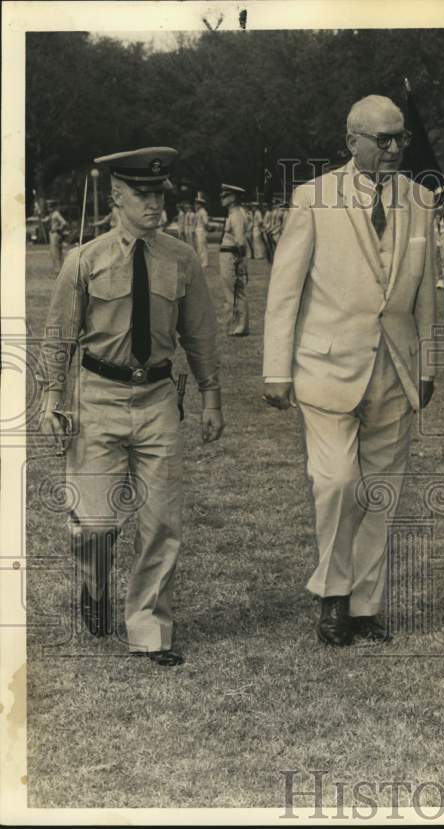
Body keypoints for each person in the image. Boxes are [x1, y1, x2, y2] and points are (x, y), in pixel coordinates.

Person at [262, 94, 438, 647]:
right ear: (351, 141)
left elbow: (427, 295)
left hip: (396, 367)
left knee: (381, 491)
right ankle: (333, 595)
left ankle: (364, 606)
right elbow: (284, 289)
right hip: (326, 366)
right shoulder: (312, 199)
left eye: (400, 139)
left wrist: (428, 362)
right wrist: (275, 369)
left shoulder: (422, 200)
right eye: (381, 139)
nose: (392, 149)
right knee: (337, 482)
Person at [38, 147, 223, 667]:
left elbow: (201, 335)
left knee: (161, 521)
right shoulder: (85, 260)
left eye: (159, 194)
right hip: (98, 399)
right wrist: (53, 398)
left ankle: (149, 629)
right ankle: (94, 584)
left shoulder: (181, 258)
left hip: (159, 400)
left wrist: (211, 396)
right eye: (143, 194)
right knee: (95, 525)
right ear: (117, 197)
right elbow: (59, 337)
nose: (155, 204)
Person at [219, 183, 250, 336]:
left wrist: (241, 260)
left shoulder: (236, 215)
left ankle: (237, 326)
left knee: (233, 291)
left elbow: (240, 241)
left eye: (225, 196)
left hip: (231, 255)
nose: (221, 198)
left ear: (233, 198)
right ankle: (238, 325)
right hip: (229, 254)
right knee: (234, 290)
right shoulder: (234, 214)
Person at [46, 200, 68, 271]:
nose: (49, 208)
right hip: (52, 234)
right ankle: (59, 268)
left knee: (56, 252)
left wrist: (58, 228)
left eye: (50, 206)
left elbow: (64, 222)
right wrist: (39, 215)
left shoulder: (56, 214)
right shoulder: (52, 214)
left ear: (53, 207)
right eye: (48, 206)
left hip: (55, 234)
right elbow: (45, 220)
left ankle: (59, 269)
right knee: (55, 252)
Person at [193, 192, 210, 269]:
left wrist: (205, 231)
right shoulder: (198, 212)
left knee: (202, 246)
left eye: (197, 204)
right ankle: (201, 261)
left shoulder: (203, 212)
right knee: (199, 247)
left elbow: (206, 223)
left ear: (201, 204)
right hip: (198, 229)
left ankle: (205, 262)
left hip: (201, 230)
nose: (196, 205)